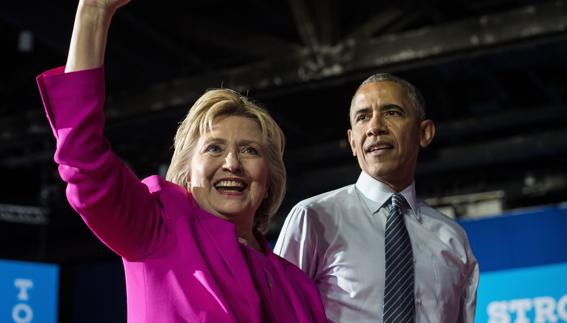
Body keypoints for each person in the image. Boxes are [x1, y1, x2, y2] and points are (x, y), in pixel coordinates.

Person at [36, 0, 327, 322]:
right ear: (188, 172)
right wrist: (93, 12)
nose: (232, 163)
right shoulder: (156, 226)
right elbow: (82, 157)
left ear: (270, 176)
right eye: (214, 149)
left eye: (250, 150)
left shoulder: (298, 287)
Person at [275, 74, 479, 322]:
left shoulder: (453, 239)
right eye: (363, 117)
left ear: (425, 132)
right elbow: (278, 314)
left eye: (392, 112)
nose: (375, 127)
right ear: (352, 141)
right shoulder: (313, 218)